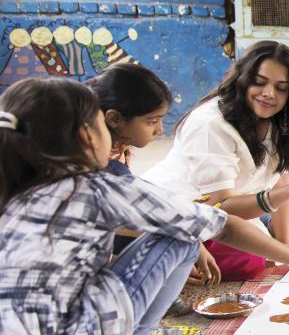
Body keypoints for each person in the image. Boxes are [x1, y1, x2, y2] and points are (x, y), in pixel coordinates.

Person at [0, 78, 289, 335]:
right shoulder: (97, 188)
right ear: (86, 136)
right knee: (183, 236)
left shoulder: (16, 191)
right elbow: (216, 224)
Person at [143, 41, 289, 279]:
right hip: (184, 211)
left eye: (281, 88)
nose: (269, 94)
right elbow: (219, 209)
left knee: (285, 232)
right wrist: (287, 194)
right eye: (259, 82)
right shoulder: (211, 124)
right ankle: (168, 259)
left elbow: (281, 179)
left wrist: (285, 244)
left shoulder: (280, 120)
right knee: (250, 260)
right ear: (243, 79)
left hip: (230, 209)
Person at [88, 64, 219, 286]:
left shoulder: (115, 150)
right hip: (85, 288)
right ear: (114, 119)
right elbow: (110, 221)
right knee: (183, 238)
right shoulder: (95, 163)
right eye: (152, 121)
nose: (159, 130)